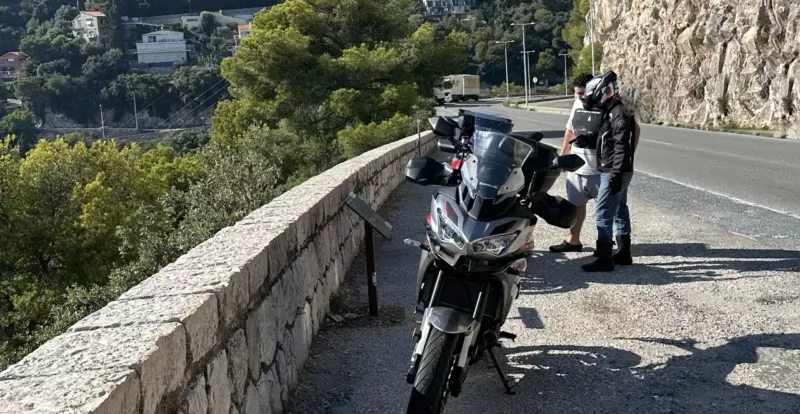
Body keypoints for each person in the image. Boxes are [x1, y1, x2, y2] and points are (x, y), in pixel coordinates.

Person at [579, 70, 636, 272]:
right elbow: (606, 139)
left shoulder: (618, 112)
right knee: (620, 209)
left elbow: (622, 145)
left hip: (615, 169)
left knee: (603, 212)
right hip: (618, 168)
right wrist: (587, 140)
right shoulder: (610, 110)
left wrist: (615, 174)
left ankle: (604, 258)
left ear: (603, 92)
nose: (591, 101)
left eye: (593, 96)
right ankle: (623, 252)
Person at [549, 73, 598, 254]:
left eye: (583, 93)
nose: (580, 97)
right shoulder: (578, 104)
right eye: (577, 93)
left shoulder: (605, 104)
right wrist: (563, 156)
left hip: (599, 167)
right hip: (577, 164)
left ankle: (606, 244)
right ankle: (574, 240)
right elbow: (569, 130)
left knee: (606, 208)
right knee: (577, 204)